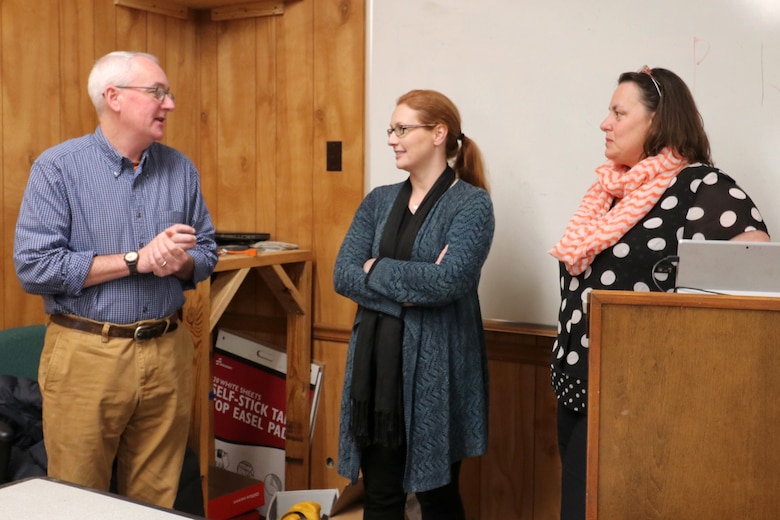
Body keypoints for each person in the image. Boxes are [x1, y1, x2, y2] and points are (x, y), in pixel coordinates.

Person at [548, 66, 770, 519]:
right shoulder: (609, 193)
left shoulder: (703, 188)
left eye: (617, 112)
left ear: (657, 119)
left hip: (641, 403)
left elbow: (759, 292)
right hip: (577, 391)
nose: (604, 123)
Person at [13, 51, 218, 508]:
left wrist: (178, 261)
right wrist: (135, 259)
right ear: (114, 98)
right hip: (87, 358)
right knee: (79, 501)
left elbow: (206, 253)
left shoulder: (180, 168)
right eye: (157, 93)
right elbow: (34, 267)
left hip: (168, 352)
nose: (170, 104)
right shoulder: (57, 168)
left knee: (157, 504)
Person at [333, 89, 494, 520]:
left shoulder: (472, 204)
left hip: (437, 374)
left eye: (403, 128)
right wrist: (412, 288)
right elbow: (342, 274)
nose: (392, 138)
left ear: (439, 133)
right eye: (392, 129)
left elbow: (449, 282)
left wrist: (376, 268)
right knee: (380, 499)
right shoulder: (378, 200)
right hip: (377, 377)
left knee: (437, 498)